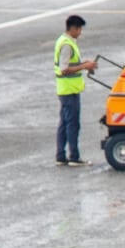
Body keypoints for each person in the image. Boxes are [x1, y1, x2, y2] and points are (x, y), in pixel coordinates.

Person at [54, 15, 98, 167]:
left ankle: (61, 156)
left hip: (65, 89)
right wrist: (85, 67)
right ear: (73, 28)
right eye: (79, 29)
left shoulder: (64, 41)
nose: (80, 33)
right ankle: (74, 157)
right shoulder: (67, 44)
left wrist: (85, 63)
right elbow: (64, 69)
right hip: (69, 90)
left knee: (64, 123)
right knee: (72, 124)